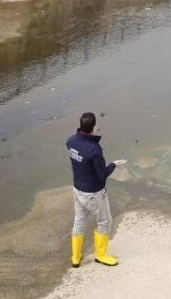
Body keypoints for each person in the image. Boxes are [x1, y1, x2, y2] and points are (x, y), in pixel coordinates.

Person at [66, 112, 120, 268]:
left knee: (79, 221)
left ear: (81, 126)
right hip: (93, 193)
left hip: (78, 189)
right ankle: (101, 255)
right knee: (105, 222)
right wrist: (113, 165)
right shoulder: (94, 150)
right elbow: (101, 175)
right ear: (94, 127)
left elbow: (78, 156)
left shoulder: (70, 141)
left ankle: (76, 257)